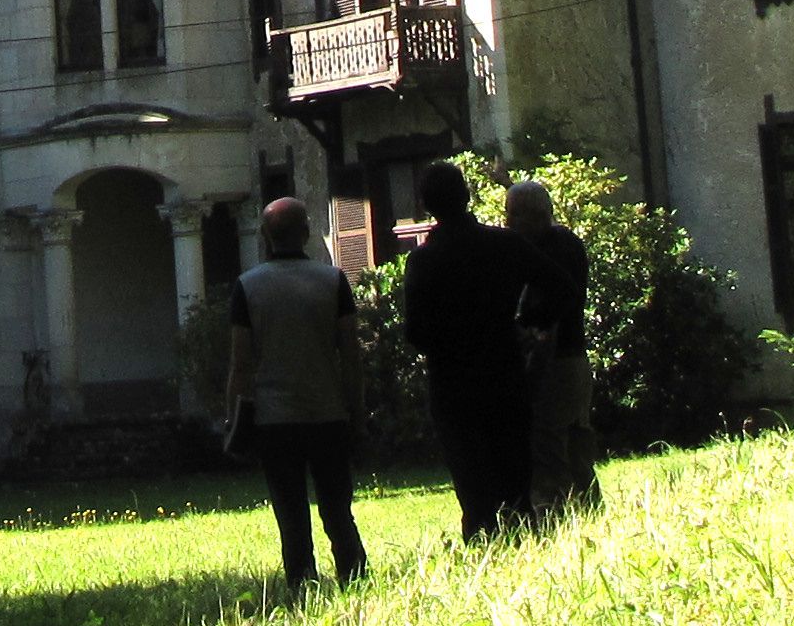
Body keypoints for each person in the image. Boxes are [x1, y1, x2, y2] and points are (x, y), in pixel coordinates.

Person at [223, 195, 369, 597]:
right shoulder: (333, 280)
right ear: (305, 232)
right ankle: (355, 577)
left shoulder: (247, 287)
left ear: (266, 237)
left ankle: (302, 586)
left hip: (275, 420)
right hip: (327, 414)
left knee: (290, 515)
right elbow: (351, 354)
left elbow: (240, 363)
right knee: (338, 510)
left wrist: (232, 418)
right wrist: (357, 411)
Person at [395, 157, 536, 540]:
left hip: (453, 382)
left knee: (473, 488)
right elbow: (558, 286)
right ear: (467, 195)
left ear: (426, 206)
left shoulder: (424, 261)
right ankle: (526, 544)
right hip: (505, 371)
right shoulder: (504, 244)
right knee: (515, 481)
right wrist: (526, 327)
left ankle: (483, 545)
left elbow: (416, 333)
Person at [504, 174, 599, 518]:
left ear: (535, 216)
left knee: (550, 447)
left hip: (557, 362)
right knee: (575, 448)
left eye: (513, 214)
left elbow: (550, 307)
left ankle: (557, 519)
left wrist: (526, 329)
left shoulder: (553, 251)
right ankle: (589, 516)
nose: (507, 222)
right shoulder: (566, 244)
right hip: (571, 360)